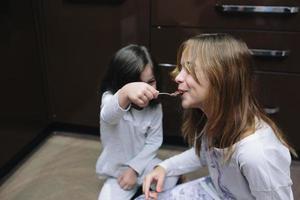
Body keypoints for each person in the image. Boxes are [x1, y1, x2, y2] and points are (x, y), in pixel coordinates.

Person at [138, 33, 297, 200]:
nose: (178, 77)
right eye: (181, 68)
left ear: (223, 78)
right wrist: (165, 167)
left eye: (190, 69)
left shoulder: (257, 154)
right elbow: (206, 154)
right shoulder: (215, 118)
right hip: (217, 191)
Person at [95, 44, 179, 200]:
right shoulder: (109, 99)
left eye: (151, 82)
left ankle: (143, 187)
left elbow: (154, 141)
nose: (144, 91)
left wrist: (134, 169)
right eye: (136, 85)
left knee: (172, 175)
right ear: (121, 83)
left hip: (144, 163)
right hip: (116, 170)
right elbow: (108, 115)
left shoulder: (155, 107)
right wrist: (126, 92)